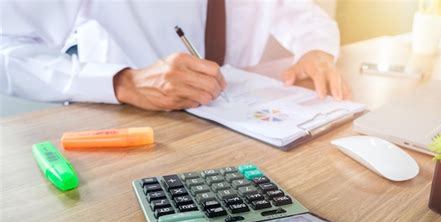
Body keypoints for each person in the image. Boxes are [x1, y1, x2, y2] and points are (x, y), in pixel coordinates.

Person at [0, 0, 351, 112]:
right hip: (127, 128)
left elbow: (302, 13)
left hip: (233, 126)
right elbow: (7, 49)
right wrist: (122, 82)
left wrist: (316, 50)